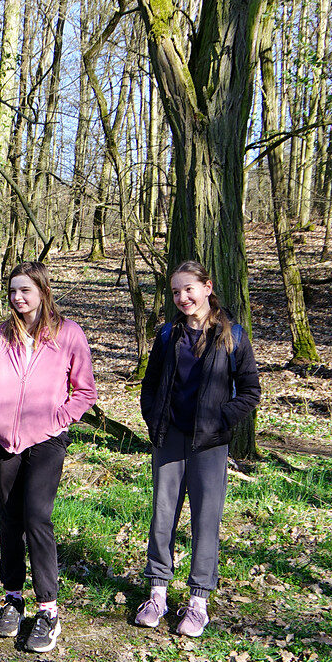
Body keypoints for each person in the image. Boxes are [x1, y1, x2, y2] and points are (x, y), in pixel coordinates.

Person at [135, 260, 261, 638]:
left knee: (206, 520)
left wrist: (221, 420)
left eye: (188, 289)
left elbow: (250, 391)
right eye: (176, 291)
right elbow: (150, 384)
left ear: (207, 287)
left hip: (209, 443)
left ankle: (198, 603)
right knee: (163, 516)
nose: (182, 297)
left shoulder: (232, 336)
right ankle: (157, 594)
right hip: (169, 439)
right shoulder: (167, 335)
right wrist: (153, 418)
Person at [0, 261, 97, 653]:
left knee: (36, 516)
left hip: (47, 439)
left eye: (25, 290)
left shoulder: (68, 333)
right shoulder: (1, 336)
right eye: (12, 291)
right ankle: (13, 598)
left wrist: (58, 420)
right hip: (6, 440)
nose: (17, 298)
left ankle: (48, 609)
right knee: (10, 518)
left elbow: (85, 391)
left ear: (43, 291)